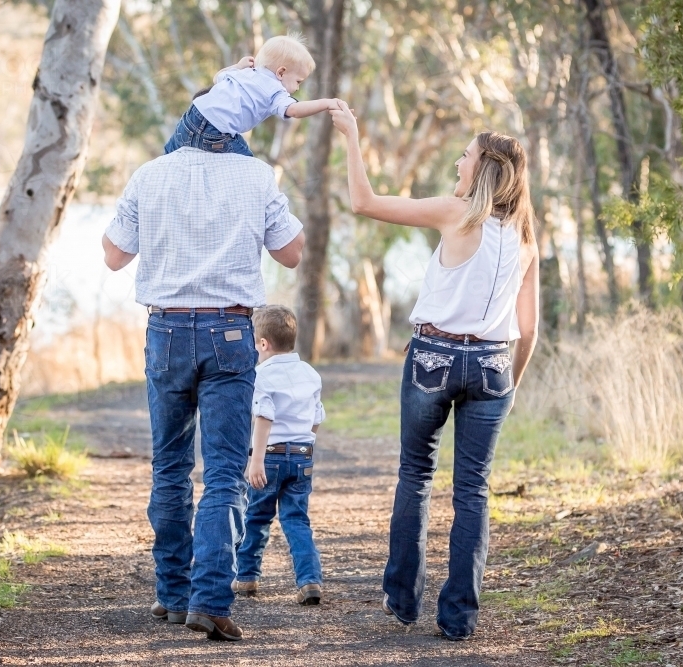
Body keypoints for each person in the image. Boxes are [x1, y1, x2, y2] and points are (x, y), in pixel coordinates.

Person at [329, 101, 541, 640]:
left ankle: (402, 601)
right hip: (495, 365)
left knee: (416, 475)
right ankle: (459, 619)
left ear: (484, 167)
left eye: (465, 156)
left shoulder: (456, 213)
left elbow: (363, 201)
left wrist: (352, 135)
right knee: (473, 490)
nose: (457, 162)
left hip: (434, 358)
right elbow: (529, 328)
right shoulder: (525, 240)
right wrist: (509, 384)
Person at [101, 137, 306, 641]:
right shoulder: (254, 174)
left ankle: (172, 594)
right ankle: (209, 601)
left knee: (170, 466)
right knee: (223, 475)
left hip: (165, 330)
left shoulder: (150, 172)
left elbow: (112, 255)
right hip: (231, 332)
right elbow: (292, 253)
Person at [233, 305, 326, 605]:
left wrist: (255, 460)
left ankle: (246, 576)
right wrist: (305, 450)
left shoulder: (261, 375)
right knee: (297, 519)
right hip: (302, 456)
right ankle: (310, 580)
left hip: (270, 456)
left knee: (257, 516)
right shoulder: (310, 374)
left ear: (263, 343)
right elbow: (316, 418)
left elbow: (263, 416)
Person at [164, 34, 339, 157]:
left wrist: (237, 66)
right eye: (298, 81)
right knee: (247, 162)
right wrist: (326, 103)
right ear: (281, 72)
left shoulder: (246, 72)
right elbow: (294, 110)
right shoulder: (275, 89)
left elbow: (217, 77)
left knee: (168, 156)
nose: (297, 89)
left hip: (192, 116)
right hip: (216, 132)